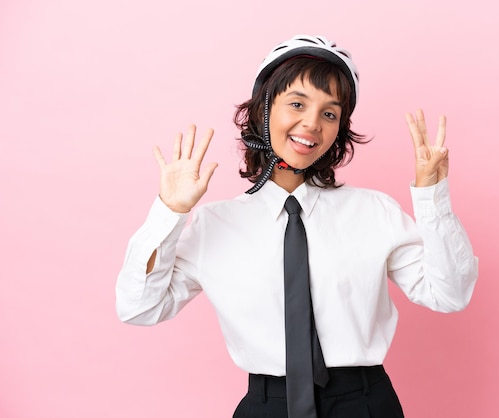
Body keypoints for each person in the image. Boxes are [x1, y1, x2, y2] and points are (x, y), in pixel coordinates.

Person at [116, 34, 479, 418]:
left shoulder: (374, 212)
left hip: (365, 404)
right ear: (263, 111)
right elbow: (139, 308)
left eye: (329, 113)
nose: (312, 123)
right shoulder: (213, 225)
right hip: (267, 405)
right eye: (297, 104)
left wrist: (432, 199)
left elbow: (449, 294)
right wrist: (169, 213)